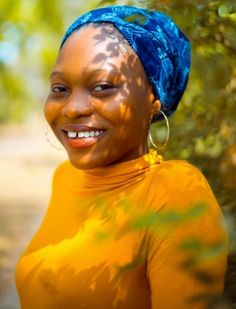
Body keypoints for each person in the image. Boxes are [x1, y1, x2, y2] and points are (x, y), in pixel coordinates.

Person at [15, 5, 229, 309]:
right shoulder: (66, 177)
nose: (73, 108)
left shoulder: (176, 192)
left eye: (102, 87)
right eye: (60, 88)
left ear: (154, 99)